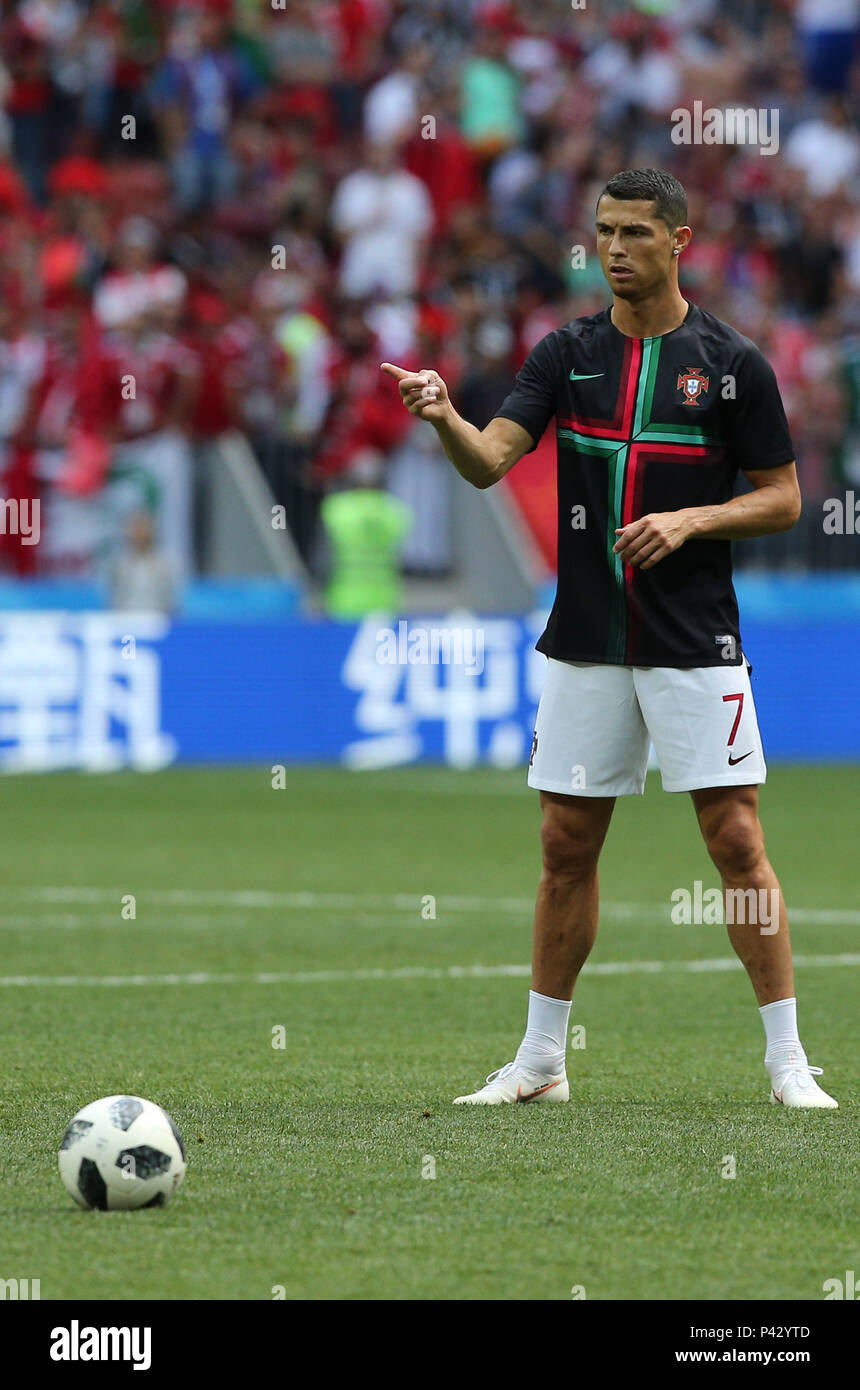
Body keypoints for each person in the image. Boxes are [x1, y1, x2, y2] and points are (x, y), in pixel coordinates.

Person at [381, 167, 838, 1111]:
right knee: (564, 845)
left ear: (679, 240)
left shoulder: (733, 362)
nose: (614, 249)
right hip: (586, 639)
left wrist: (691, 521)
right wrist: (444, 419)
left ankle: (789, 1061)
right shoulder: (565, 354)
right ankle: (542, 1061)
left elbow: (785, 498)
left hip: (693, 638)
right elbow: (489, 464)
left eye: (634, 232)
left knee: (736, 840)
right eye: (602, 232)